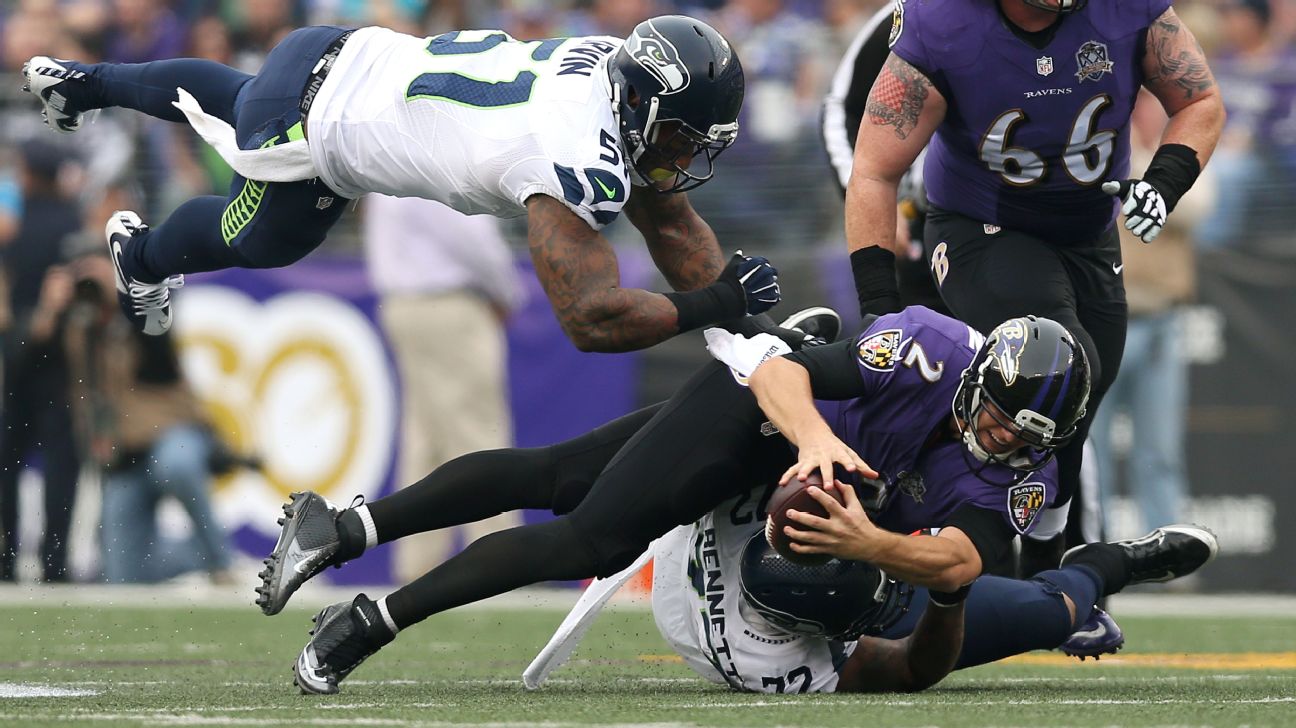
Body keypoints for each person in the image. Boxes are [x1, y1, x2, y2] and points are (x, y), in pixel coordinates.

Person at [252, 304, 1090, 695]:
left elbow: (959, 561)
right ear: (978, 378)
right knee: (587, 538)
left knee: (559, 474)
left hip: (817, 499)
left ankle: (343, 527)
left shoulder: (1024, 467)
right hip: (763, 422)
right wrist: (812, 442)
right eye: (998, 419)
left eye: (1028, 438)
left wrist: (864, 543)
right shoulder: (929, 350)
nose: (1007, 442)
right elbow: (780, 366)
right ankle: (365, 623)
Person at [21, 16, 781, 351]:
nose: (683, 155)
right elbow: (590, 319)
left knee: (237, 93)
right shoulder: (573, 157)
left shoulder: (613, 62)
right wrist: (718, 306)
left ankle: (86, 84)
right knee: (258, 237)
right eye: (682, 134)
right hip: (317, 129)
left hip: (337, 50)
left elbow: (673, 224)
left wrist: (757, 339)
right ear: (645, 104)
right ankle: (142, 256)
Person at [843, 0, 1225, 568]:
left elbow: (1200, 100)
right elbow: (875, 170)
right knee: (1064, 368)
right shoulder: (945, 24)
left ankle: (1046, 559)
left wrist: (1165, 182)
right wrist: (880, 309)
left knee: (1076, 401)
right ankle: (980, 542)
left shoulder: (1125, 10)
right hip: (981, 226)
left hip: (1089, 233)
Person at [650, 505, 1217, 693]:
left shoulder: (732, 508)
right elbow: (912, 667)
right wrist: (948, 598)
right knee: (1055, 614)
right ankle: (1107, 563)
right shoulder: (771, 663)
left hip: (868, 531)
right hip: (881, 610)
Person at [363, 194, 524, 580]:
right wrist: (507, 291)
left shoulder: (384, 150)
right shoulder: (428, 150)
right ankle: (501, 560)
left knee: (427, 441)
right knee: (478, 433)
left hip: (405, 302)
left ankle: (417, 568)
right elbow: (470, 235)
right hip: (447, 303)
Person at [0, 140, 83, 583]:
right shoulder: (71, 223)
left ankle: (7, 558)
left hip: (13, 360)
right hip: (61, 363)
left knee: (7, 460)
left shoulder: (12, 225)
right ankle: (55, 561)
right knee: (60, 462)